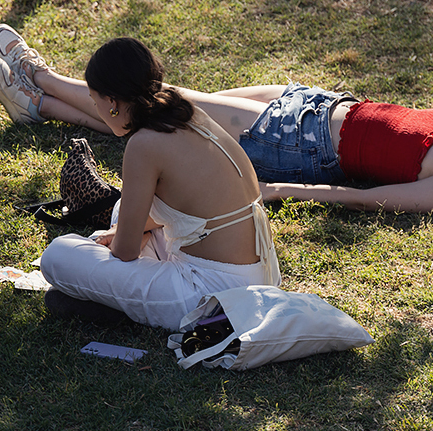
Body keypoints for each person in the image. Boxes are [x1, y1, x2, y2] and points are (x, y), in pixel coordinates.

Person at [0, 24, 433, 216]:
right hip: (313, 106)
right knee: (158, 119)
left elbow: (366, 199)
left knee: (160, 103)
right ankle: (39, 107)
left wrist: (280, 190)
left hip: (296, 144)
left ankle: (41, 78)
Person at [35, 38, 281, 330]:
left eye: (93, 99)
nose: (96, 107)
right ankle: (124, 294)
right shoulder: (188, 113)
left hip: (212, 296)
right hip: (258, 276)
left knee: (57, 256)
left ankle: (122, 304)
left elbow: (125, 252)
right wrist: (121, 233)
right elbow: (185, 205)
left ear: (111, 102)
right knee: (122, 209)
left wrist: (119, 239)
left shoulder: (143, 144)